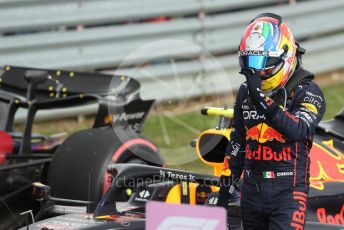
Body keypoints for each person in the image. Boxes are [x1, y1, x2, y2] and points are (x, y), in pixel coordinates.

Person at [217, 13, 326, 230]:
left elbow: (298, 130)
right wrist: (223, 192)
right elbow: (237, 143)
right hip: (251, 191)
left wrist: (262, 102)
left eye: (265, 65)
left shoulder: (308, 92)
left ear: (285, 57)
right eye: (252, 65)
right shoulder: (245, 92)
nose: (259, 73)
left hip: (288, 194)